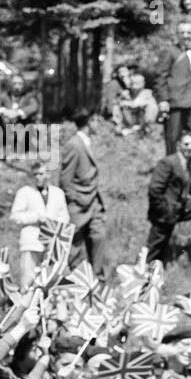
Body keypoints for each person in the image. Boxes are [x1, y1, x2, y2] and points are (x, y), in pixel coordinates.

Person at [145, 131, 191, 264]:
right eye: (186, 144)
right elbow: (154, 189)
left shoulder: (187, 163)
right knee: (155, 247)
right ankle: (142, 275)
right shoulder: (168, 162)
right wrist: (165, 211)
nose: (190, 147)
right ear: (178, 145)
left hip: (179, 207)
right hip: (165, 213)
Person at [10, 159, 71, 286]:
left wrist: (53, 224)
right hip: (31, 240)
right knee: (28, 277)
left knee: (51, 278)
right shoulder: (25, 192)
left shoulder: (57, 193)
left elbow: (64, 217)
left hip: (52, 243)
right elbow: (15, 215)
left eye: (41, 174)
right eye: (35, 174)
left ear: (48, 174)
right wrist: (36, 217)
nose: (38, 177)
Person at [59, 110, 106, 275]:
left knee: (99, 236)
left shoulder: (89, 142)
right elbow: (65, 180)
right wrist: (76, 199)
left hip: (94, 202)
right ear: (90, 121)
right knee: (75, 247)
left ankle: (98, 279)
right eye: (97, 120)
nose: (100, 124)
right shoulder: (74, 144)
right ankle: (76, 283)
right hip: (79, 205)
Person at [154, 22, 191, 153]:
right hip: (175, 103)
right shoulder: (169, 52)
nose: (186, 36)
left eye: (189, 33)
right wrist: (163, 99)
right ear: (177, 35)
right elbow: (160, 77)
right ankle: (173, 169)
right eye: (183, 33)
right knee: (173, 138)